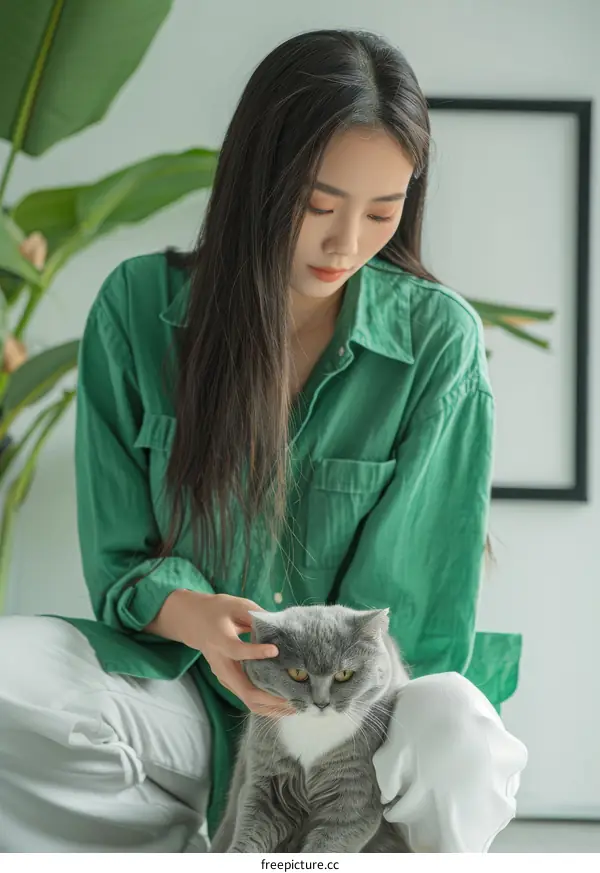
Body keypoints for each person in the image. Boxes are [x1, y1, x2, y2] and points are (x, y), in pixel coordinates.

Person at [0, 29, 527, 853]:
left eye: (382, 212)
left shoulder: (438, 341)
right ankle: (188, 842)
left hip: (365, 717)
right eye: (318, 205)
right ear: (258, 179)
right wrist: (201, 621)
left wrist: (314, 721)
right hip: (184, 697)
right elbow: (120, 561)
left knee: (458, 725)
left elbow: (416, 613)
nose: (346, 243)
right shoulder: (137, 308)